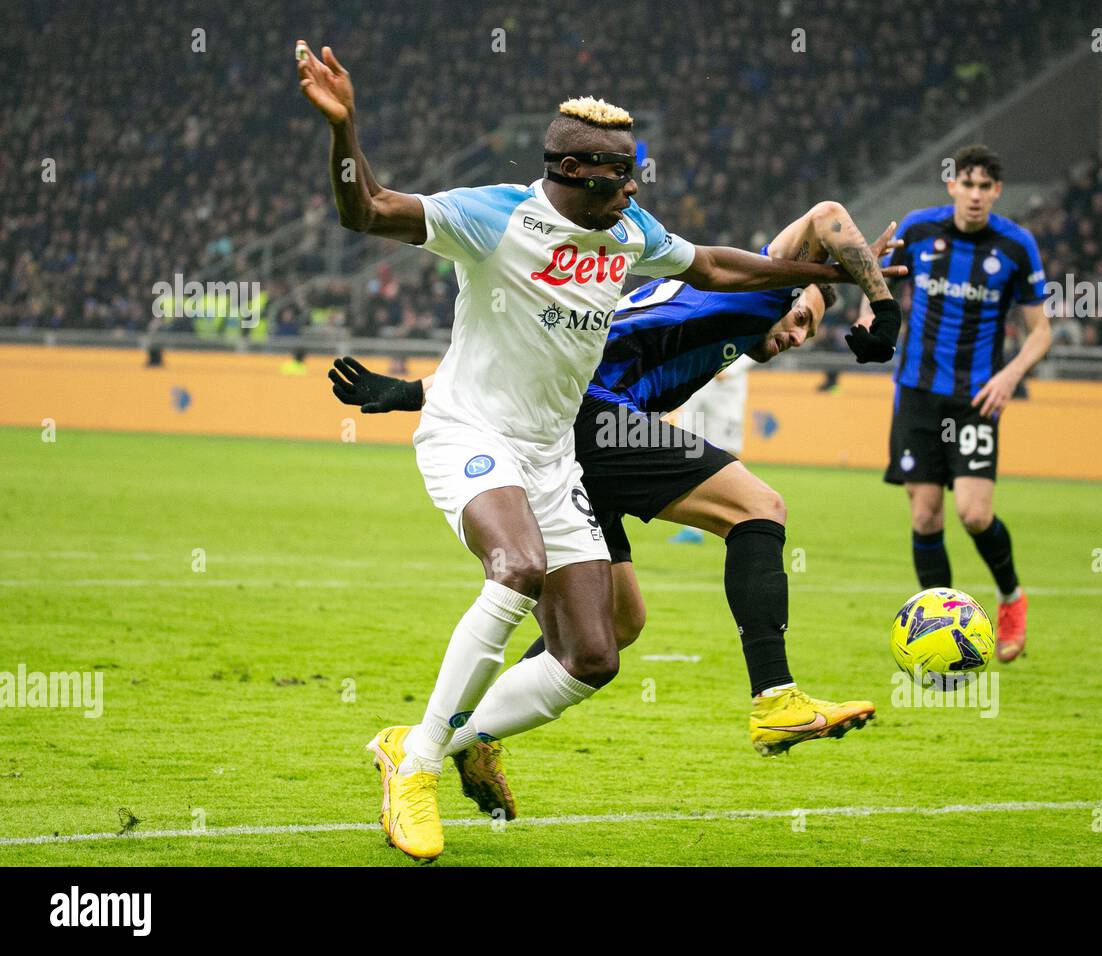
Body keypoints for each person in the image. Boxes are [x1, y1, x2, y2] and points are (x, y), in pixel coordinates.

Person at [297, 41, 873, 860]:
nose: (634, 190)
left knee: (595, 655)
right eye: (619, 176)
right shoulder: (491, 216)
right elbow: (368, 209)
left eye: (634, 174)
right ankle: (415, 761)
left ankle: (440, 743)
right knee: (516, 567)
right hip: (471, 434)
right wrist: (344, 129)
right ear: (573, 170)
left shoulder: (630, 228)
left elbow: (708, 262)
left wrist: (832, 272)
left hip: (553, 453)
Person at [331, 203, 905, 820]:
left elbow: (556, 355)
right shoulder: (761, 290)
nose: (796, 335)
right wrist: (881, 301)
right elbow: (826, 217)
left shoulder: (728, 311)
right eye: (800, 319)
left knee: (614, 629)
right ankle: (775, 697)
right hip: (596, 420)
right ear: (785, 286)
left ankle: (451, 738)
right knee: (758, 507)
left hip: (575, 430)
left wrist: (411, 392)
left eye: (809, 334)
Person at [868, 144, 1051, 663]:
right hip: (918, 396)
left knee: (973, 514)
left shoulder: (1016, 247)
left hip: (976, 401)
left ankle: (1011, 597)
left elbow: (1041, 332)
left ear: (996, 191)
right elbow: (873, 276)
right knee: (926, 517)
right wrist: (869, 317)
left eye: (984, 186)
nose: (974, 195)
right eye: (966, 184)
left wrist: (1011, 376)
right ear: (952, 186)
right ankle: (942, 632)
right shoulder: (920, 231)